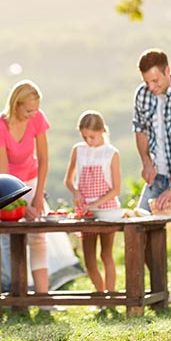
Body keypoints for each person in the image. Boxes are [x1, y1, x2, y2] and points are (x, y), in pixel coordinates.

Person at [0, 80, 50, 297]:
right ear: (16, 105)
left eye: (36, 110)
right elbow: (4, 178)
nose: (33, 114)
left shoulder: (37, 118)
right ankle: (17, 295)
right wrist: (20, 207)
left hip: (29, 179)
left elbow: (44, 159)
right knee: (8, 236)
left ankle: (42, 297)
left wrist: (38, 197)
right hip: (2, 184)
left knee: (38, 234)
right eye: (28, 110)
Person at [133, 48, 171, 305]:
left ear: (168, 71)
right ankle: (159, 295)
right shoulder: (143, 94)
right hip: (158, 176)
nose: (151, 86)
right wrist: (147, 163)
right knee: (139, 229)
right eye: (147, 81)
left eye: (155, 80)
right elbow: (140, 130)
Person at [64, 110, 120, 292]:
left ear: (102, 130)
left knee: (106, 254)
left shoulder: (111, 153)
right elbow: (69, 180)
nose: (89, 141)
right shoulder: (78, 150)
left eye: (92, 136)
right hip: (85, 211)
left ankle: (110, 296)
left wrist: (96, 204)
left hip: (107, 210)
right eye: (85, 136)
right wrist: (76, 192)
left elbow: (116, 189)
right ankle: (100, 294)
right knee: (88, 258)